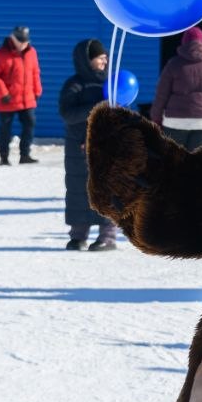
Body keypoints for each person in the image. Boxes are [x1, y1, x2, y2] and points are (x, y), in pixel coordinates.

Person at [58, 39, 119, 251]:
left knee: (107, 189)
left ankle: (107, 236)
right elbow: (67, 114)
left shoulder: (111, 83)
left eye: (105, 56)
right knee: (78, 190)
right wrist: (95, 107)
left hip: (107, 147)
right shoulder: (73, 85)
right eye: (100, 57)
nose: (105, 60)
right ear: (87, 60)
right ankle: (78, 235)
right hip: (78, 147)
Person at [150, 27, 202, 148]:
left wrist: (156, 118)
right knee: (196, 161)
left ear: (184, 42)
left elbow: (161, 94)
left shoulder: (173, 65)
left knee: (173, 160)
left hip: (175, 122)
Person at [0, 25, 42, 165]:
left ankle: (25, 155)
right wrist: (3, 93)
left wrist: (37, 90)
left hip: (27, 98)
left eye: (25, 41)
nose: (23, 44)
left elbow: (35, 72)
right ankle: (4, 158)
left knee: (30, 123)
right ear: (13, 38)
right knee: (5, 129)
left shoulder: (31, 52)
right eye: (20, 40)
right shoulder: (1, 54)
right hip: (7, 99)